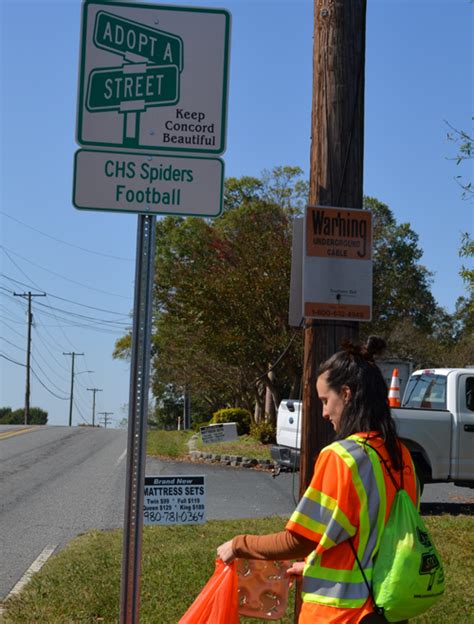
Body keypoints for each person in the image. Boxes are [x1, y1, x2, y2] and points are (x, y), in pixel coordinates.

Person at [217, 336, 418, 623]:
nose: (324, 412)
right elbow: (371, 536)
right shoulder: (403, 456)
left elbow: (297, 540)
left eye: (326, 400)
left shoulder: (342, 457)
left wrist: (239, 544)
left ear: (346, 394)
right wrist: (313, 566)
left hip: (339, 614)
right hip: (390, 610)